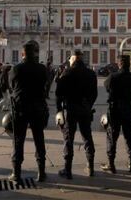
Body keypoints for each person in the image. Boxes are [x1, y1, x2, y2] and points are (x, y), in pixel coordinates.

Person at [8, 41, 49, 183]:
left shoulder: (16, 69)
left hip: (21, 109)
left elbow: (11, 87)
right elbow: (45, 85)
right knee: (39, 139)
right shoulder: (42, 69)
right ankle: (42, 172)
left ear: (22, 54)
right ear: (35, 53)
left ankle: (16, 173)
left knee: (18, 140)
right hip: (38, 107)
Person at [56, 50, 98, 179]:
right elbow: (94, 94)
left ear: (73, 59)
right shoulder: (91, 73)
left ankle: (67, 170)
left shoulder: (67, 73)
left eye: (70, 59)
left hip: (71, 109)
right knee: (87, 137)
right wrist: (88, 105)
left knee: (69, 139)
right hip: (85, 109)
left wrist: (59, 110)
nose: (69, 61)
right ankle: (90, 167)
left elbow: (58, 94)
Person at [100, 55, 131, 173]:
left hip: (115, 109)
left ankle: (111, 164)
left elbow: (106, 86)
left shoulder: (113, 76)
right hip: (128, 109)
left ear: (119, 63)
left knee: (112, 137)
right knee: (129, 137)